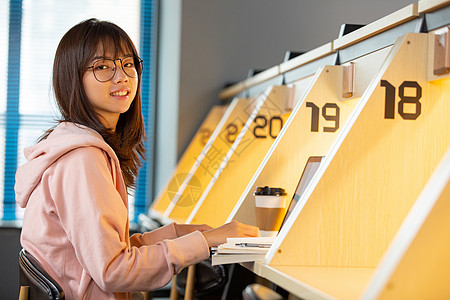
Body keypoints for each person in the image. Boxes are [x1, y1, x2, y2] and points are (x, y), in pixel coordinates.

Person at [15, 18, 260, 300]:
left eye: (128, 63)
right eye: (102, 66)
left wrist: (185, 234)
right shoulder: (82, 160)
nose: (121, 76)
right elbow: (114, 271)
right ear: (73, 77)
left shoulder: (70, 144)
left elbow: (109, 252)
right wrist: (204, 242)